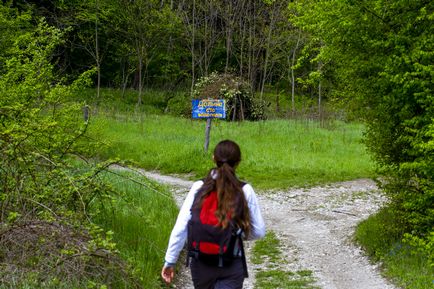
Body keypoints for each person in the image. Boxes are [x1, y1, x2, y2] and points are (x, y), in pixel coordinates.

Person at [161, 139, 266, 289]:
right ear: (238, 162)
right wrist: (235, 234)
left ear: (213, 158)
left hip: (201, 265)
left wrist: (170, 261)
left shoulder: (199, 186)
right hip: (231, 263)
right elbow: (259, 231)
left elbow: (182, 226)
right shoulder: (245, 189)